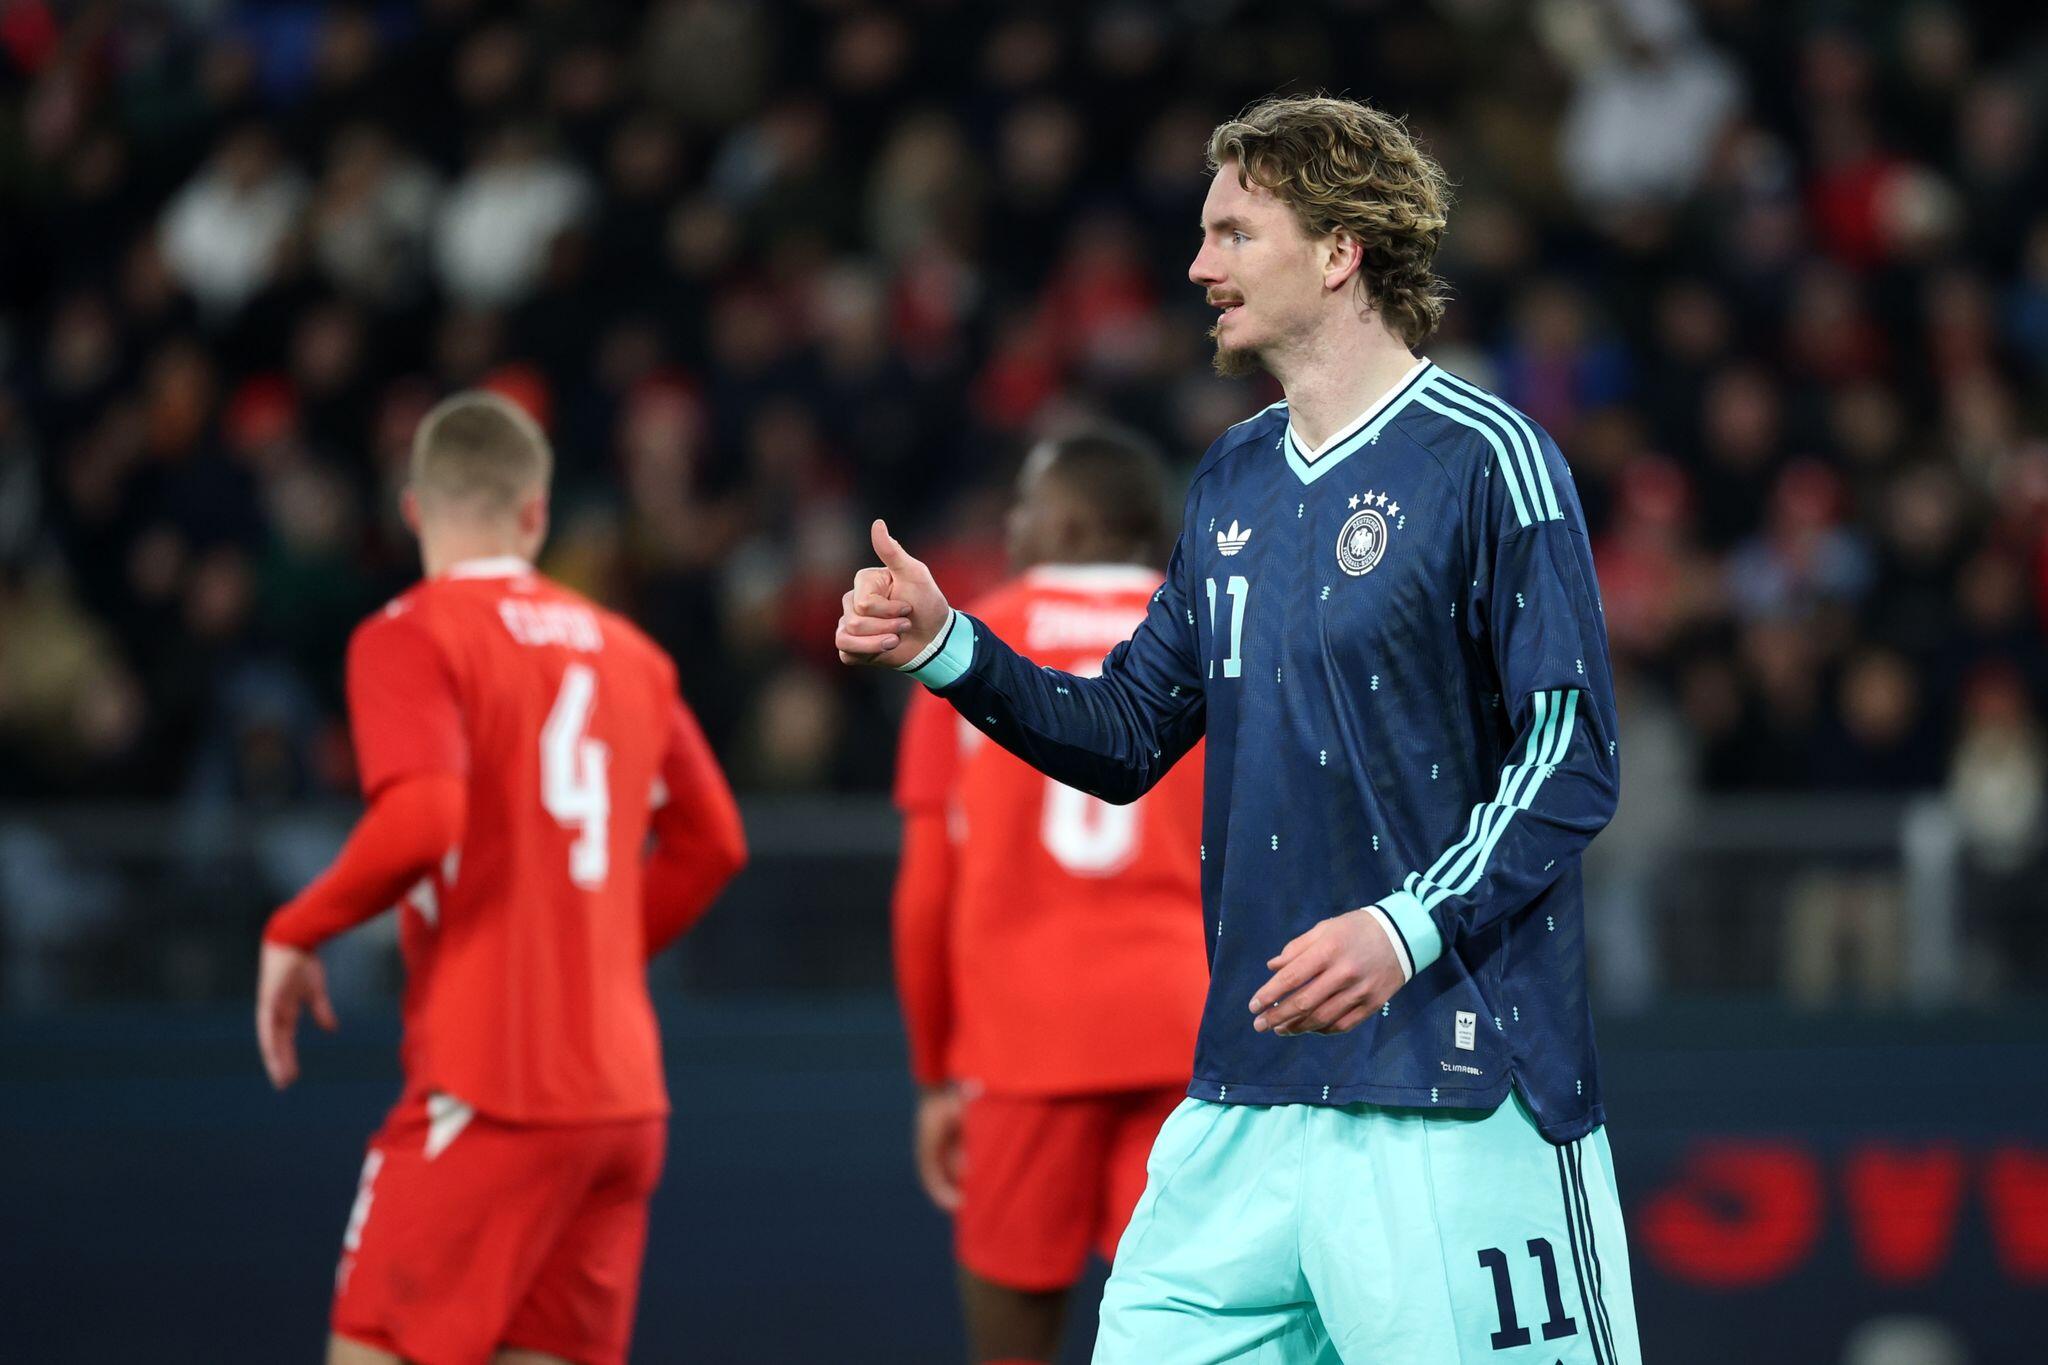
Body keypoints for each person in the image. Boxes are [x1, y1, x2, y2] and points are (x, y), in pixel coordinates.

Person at [838, 94, 1642, 1364]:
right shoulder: (1232, 477)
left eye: (1232, 234)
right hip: (1246, 1093)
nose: (1197, 266)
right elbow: (1124, 732)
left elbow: (1570, 753)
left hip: (1449, 1080)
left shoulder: (1489, 459)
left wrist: (1403, 927)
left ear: (1338, 252)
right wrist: (949, 648)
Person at [255, 391, 747, 1365]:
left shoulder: (411, 632)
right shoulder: (631, 653)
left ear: (412, 508)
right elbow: (714, 843)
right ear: (536, 513)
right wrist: (594, 950)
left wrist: (295, 926)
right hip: (619, 1104)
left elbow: (423, 819)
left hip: (490, 1085)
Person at [892, 429, 1208, 1365]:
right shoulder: (1210, 634)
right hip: (1185, 1033)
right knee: (1191, 1337)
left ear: (1067, 522)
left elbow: (925, 893)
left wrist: (935, 1074)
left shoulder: (964, 640)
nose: (1011, 524)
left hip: (1021, 1041)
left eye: (1026, 506)